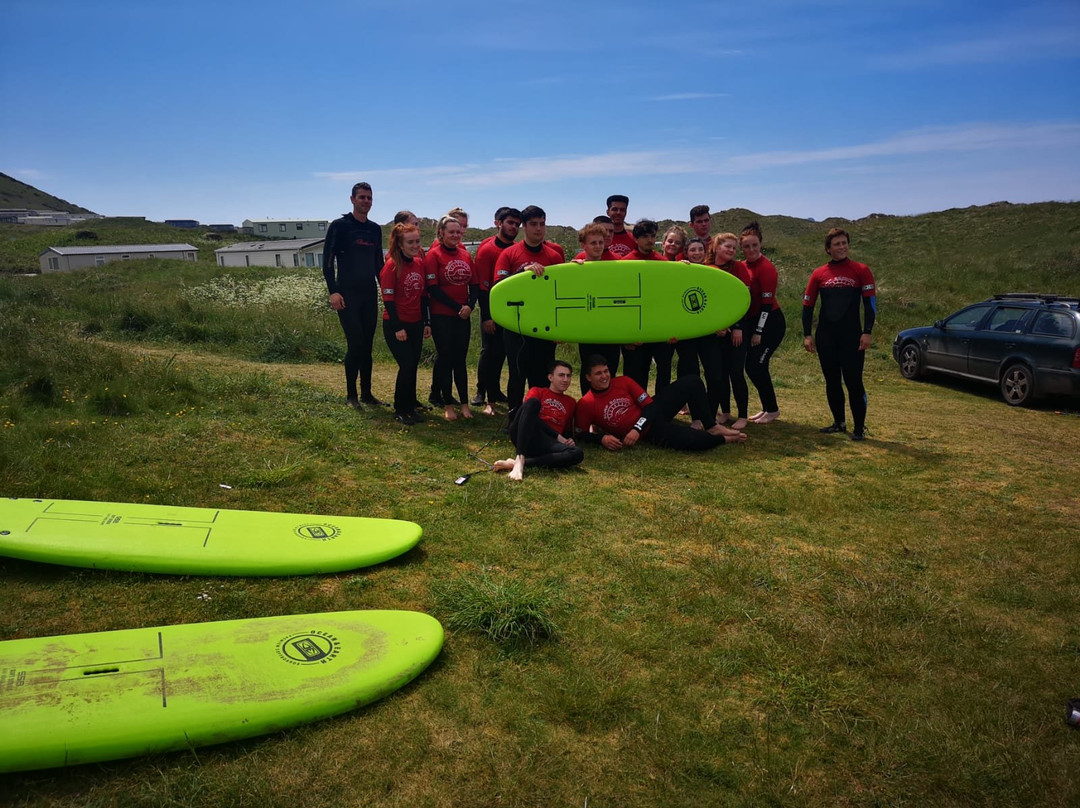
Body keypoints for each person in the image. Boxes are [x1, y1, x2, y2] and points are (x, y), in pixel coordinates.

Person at [575, 356, 747, 451]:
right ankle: (723, 439)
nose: (604, 376)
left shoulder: (623, 382)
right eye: (598, 374)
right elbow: (580, 433)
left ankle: (711, 425)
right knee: (696, 441)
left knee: (693, 381)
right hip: (651, 432)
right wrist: (601, 439)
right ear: (588, 377)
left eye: (606, 371)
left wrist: (636, 429)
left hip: (651, 415)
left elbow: (650, 406)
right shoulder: (586, 404)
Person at [802, 227, 877, 440]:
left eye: (844, 243)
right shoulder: (819, 273)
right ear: (828, 249)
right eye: (837, 244)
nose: (842, 247)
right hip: (826, 336)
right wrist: (807, 334)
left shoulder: (861, 270)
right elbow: (808, 306)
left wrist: (867, 331)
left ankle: (859, 428)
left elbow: (870, 304)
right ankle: (839, 422)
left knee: (854, 381)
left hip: (852, 336)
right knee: (832, 381)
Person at [493, 205, 566, 410]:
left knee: (541, 377)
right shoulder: (509, 254)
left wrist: (560, 327)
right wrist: (521, 272)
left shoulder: (554, 256)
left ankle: (539, 418)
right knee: (517, 375)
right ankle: (514, 418)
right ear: (524, 226)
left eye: (542, 224)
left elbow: (560, 293)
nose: (538, 229)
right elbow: (498, 287)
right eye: (533, 224)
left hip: (544, 326)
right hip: (516, 325)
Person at [322, 182, 386, 408]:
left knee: (367, 346)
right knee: (355, 344)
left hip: (368, 293)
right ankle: (351, 395)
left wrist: (387, 294)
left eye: (369, 198)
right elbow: (328, 261)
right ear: (352, 199)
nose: (366, 201)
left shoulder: (374, 229)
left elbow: (380, 264)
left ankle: (367, 394)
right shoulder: (340, 226)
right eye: (362, 197)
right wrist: (333, 291)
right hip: (347, 294)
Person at [493, 360, 584, 481]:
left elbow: (566, 430)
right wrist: (557, 435)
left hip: (547, 443)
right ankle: (520, 459)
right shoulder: (537, 391)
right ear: (550, 377)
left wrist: (568, 439)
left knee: (577, 453)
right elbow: (528, 416)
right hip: (525, 433)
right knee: (532, 403)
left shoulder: (571, 402)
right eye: (561, 375)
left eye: (569, 376)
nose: (566, 379)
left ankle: (520, 463)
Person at [425, 214, 478, 420]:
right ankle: (448, 404)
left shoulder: (465, 254)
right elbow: (433, 288)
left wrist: (470, 306)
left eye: (458, 232)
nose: (456, 235)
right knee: (446, 359)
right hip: (442, 316)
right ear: (441, 233)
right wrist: (458, 307)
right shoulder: (434, 255)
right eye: (451, 232)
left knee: (460, 361)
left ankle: (464, 404)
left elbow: (473, 285)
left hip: (462, 316)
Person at [380, 223, 431, 425]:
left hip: (416, 323)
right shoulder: (391, 266)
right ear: (400, 245)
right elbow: (388, 301)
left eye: (417, 241)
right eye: (410, 242)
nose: (415, 245)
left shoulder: (419, 263)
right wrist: (397, 327)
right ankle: (400, 409)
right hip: (396, 324)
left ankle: (410, 406)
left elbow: (424, 296)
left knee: (413, 366)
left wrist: (427, 322)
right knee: (407, 365)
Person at [471, 207, 521, 413]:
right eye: (510, 223)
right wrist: (487, 316)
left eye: (517, 224)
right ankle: (481, 391)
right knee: (490, 353)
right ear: (499, 223)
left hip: (511, 313)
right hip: (492, 311)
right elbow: (483, 287)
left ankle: (497, 391)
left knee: (506, 354)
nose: (514, 227)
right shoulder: (487, 249)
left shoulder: (517, 249)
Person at [702, 233, 752, 428]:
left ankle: (743, 416)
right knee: (719, 373)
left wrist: (737, 327)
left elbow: (745, 300)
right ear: (716, 247)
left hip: (737, 329)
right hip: (716, 330)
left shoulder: (739, 268)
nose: (732, 250)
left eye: (733, 247)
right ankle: (725, 412)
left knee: (736, 372)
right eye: (727, 247)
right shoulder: (707, 269)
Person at [740, 222, 786, 424]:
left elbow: (767, 305)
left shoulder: (766, 268)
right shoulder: (743, 265)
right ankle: (768, 407)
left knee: (757, 365)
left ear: (761, 245)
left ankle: (773, 409)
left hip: (770, 323)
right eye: (747, 246)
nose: (751, 250)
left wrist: (758, 331)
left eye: (754, 246)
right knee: (753, 366)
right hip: (753, 321)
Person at [573, 222, 622, 393]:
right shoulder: (575, 269)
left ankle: (607, 412)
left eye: (601, 242)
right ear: (583, 245)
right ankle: (588, 411)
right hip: (587, 330)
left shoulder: (615, 268)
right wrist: (571, 272)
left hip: (612, 330)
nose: (598, 246)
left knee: (610, 371)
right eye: (593, 243)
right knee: (589, 370)